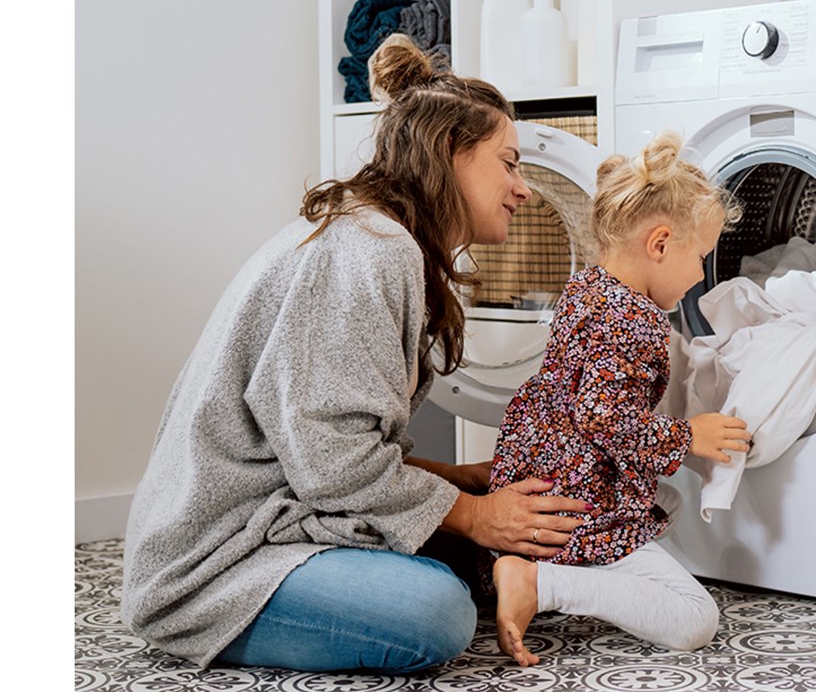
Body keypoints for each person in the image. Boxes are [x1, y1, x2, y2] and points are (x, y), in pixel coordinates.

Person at [120, 33, 592, 674]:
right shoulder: (372, 248)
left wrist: (452, 481)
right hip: (210, 568)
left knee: (513, 544)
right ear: (451, 154)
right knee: (436, 616)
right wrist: (474, 516)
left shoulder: (378, 235)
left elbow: (323, 439)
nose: (523, 189)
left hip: (276, 515)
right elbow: (333, 462)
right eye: (508, 163)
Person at [485, 130, 753, 666]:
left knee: (664, 502)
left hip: (540, 480)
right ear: (658, 244)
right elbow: (603, 416)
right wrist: (689, 435)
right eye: (700, 256)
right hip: (578, 503)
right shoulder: (637, 321)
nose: (702, 273)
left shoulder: (588, 287)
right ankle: (541, 582)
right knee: (695, 620)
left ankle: (543, 566)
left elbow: (585, 408)